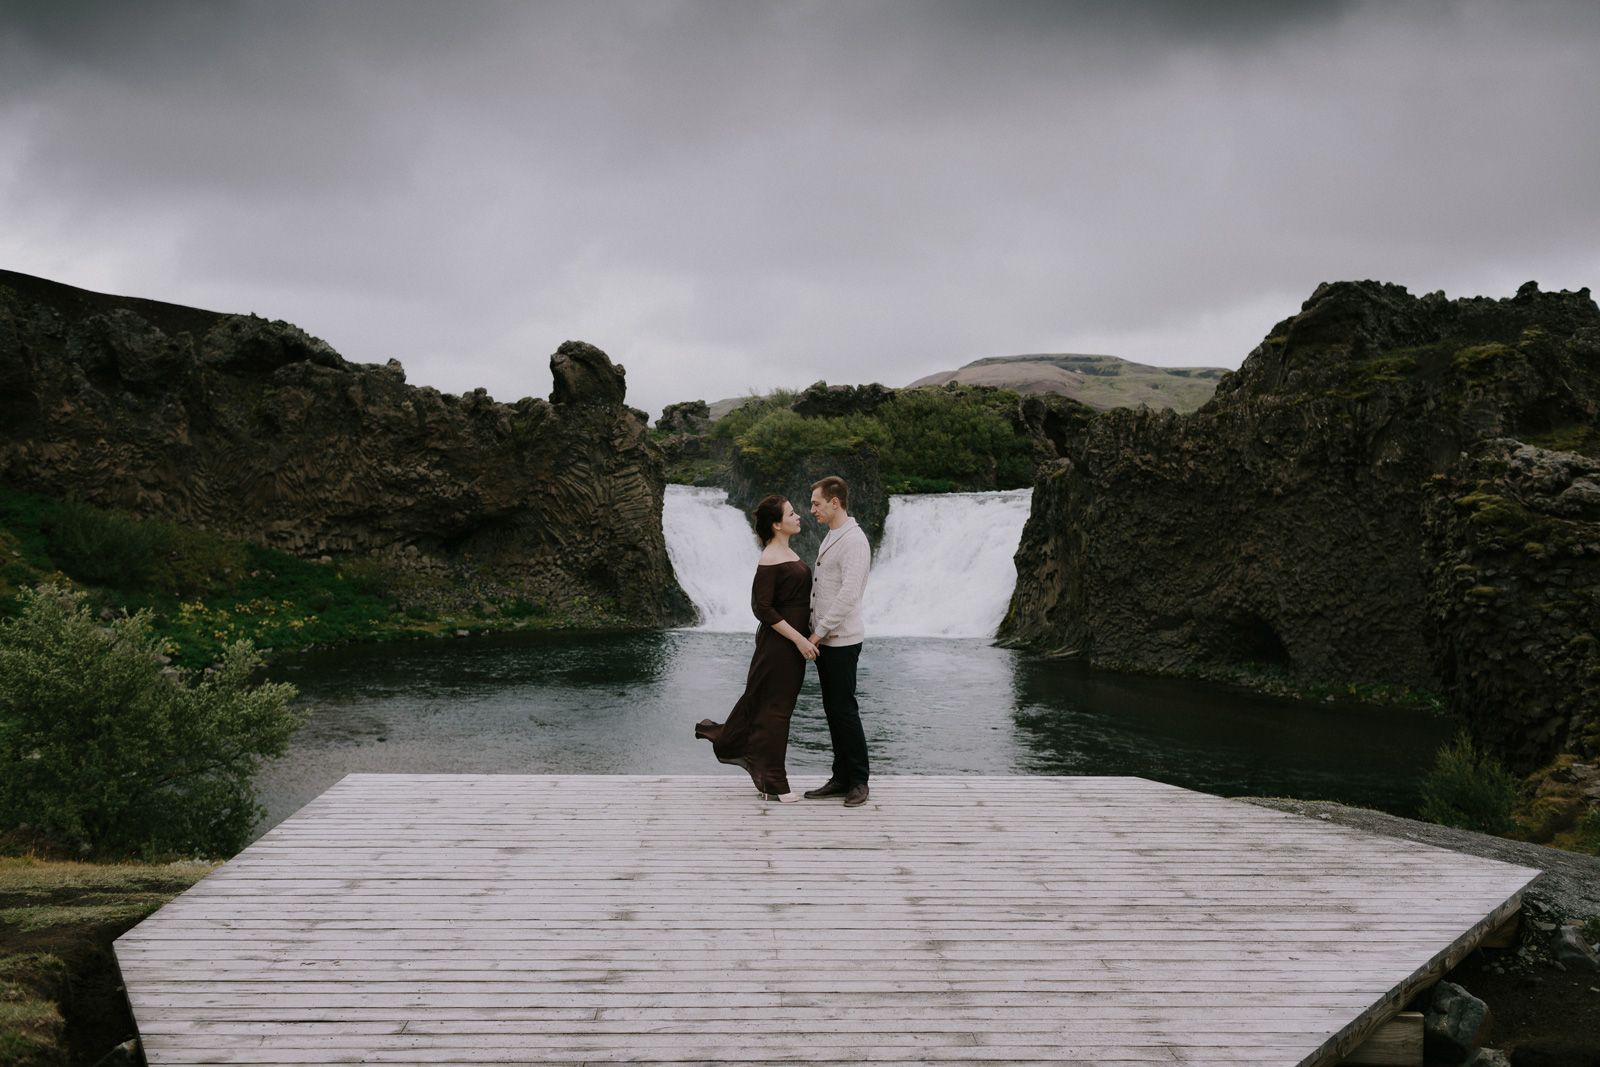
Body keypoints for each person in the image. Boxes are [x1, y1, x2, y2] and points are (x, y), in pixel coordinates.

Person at [694, 495, 817, 802]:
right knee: (776, 712)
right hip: (780, 647)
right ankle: (775, 783)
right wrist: (800, 639)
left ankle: (739, 749)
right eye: (792, 512)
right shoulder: (770, 558)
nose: (798, 515)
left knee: (774, 708)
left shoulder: (784, 551)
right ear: (777, 524)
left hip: (790, 646)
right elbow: (762, 608)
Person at [803, 475, 873, 808]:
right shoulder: (834, 536)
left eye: (816, 502)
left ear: (835, 502)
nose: (811, 508)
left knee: (844, 710)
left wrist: (818, 632)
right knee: (833, 711)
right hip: (827, 640)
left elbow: (848, 596)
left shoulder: (854, 540)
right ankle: (841, 776)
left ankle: (859, 780)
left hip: (840, 640)